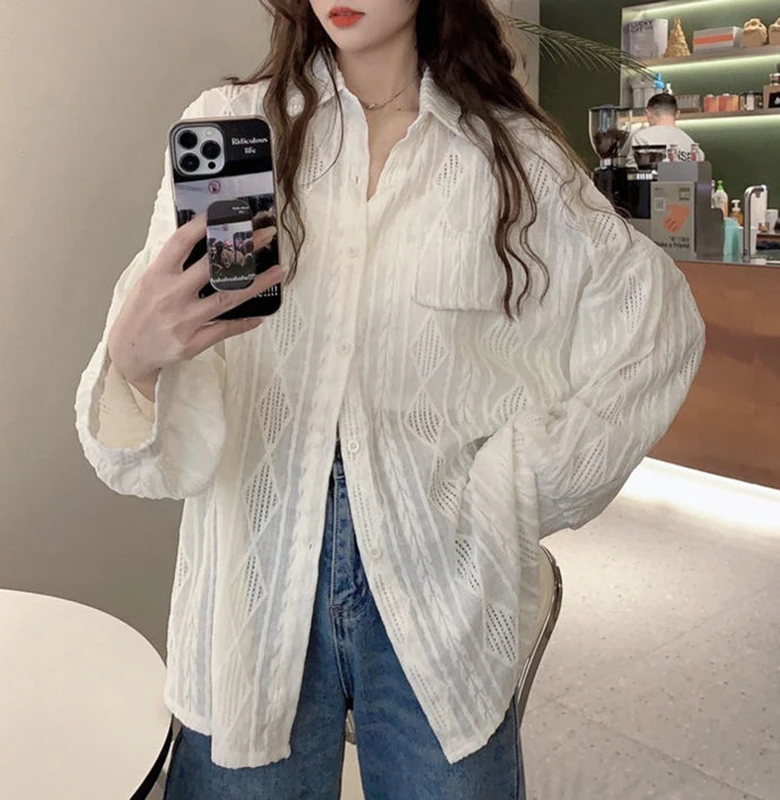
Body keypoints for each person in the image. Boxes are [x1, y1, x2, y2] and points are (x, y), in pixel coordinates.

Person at [75, 1, 705, 798]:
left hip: (438, 587)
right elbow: (151, 455)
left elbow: (656, 330)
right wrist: (134, 361)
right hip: (251, 586)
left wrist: (514, 487)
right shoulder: (232, 125)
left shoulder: (512, 157)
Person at [628, 92, 705, 164]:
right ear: (677, 114)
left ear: (648, 114)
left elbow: (634, 170)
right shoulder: (690, 143)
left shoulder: (641, 138)